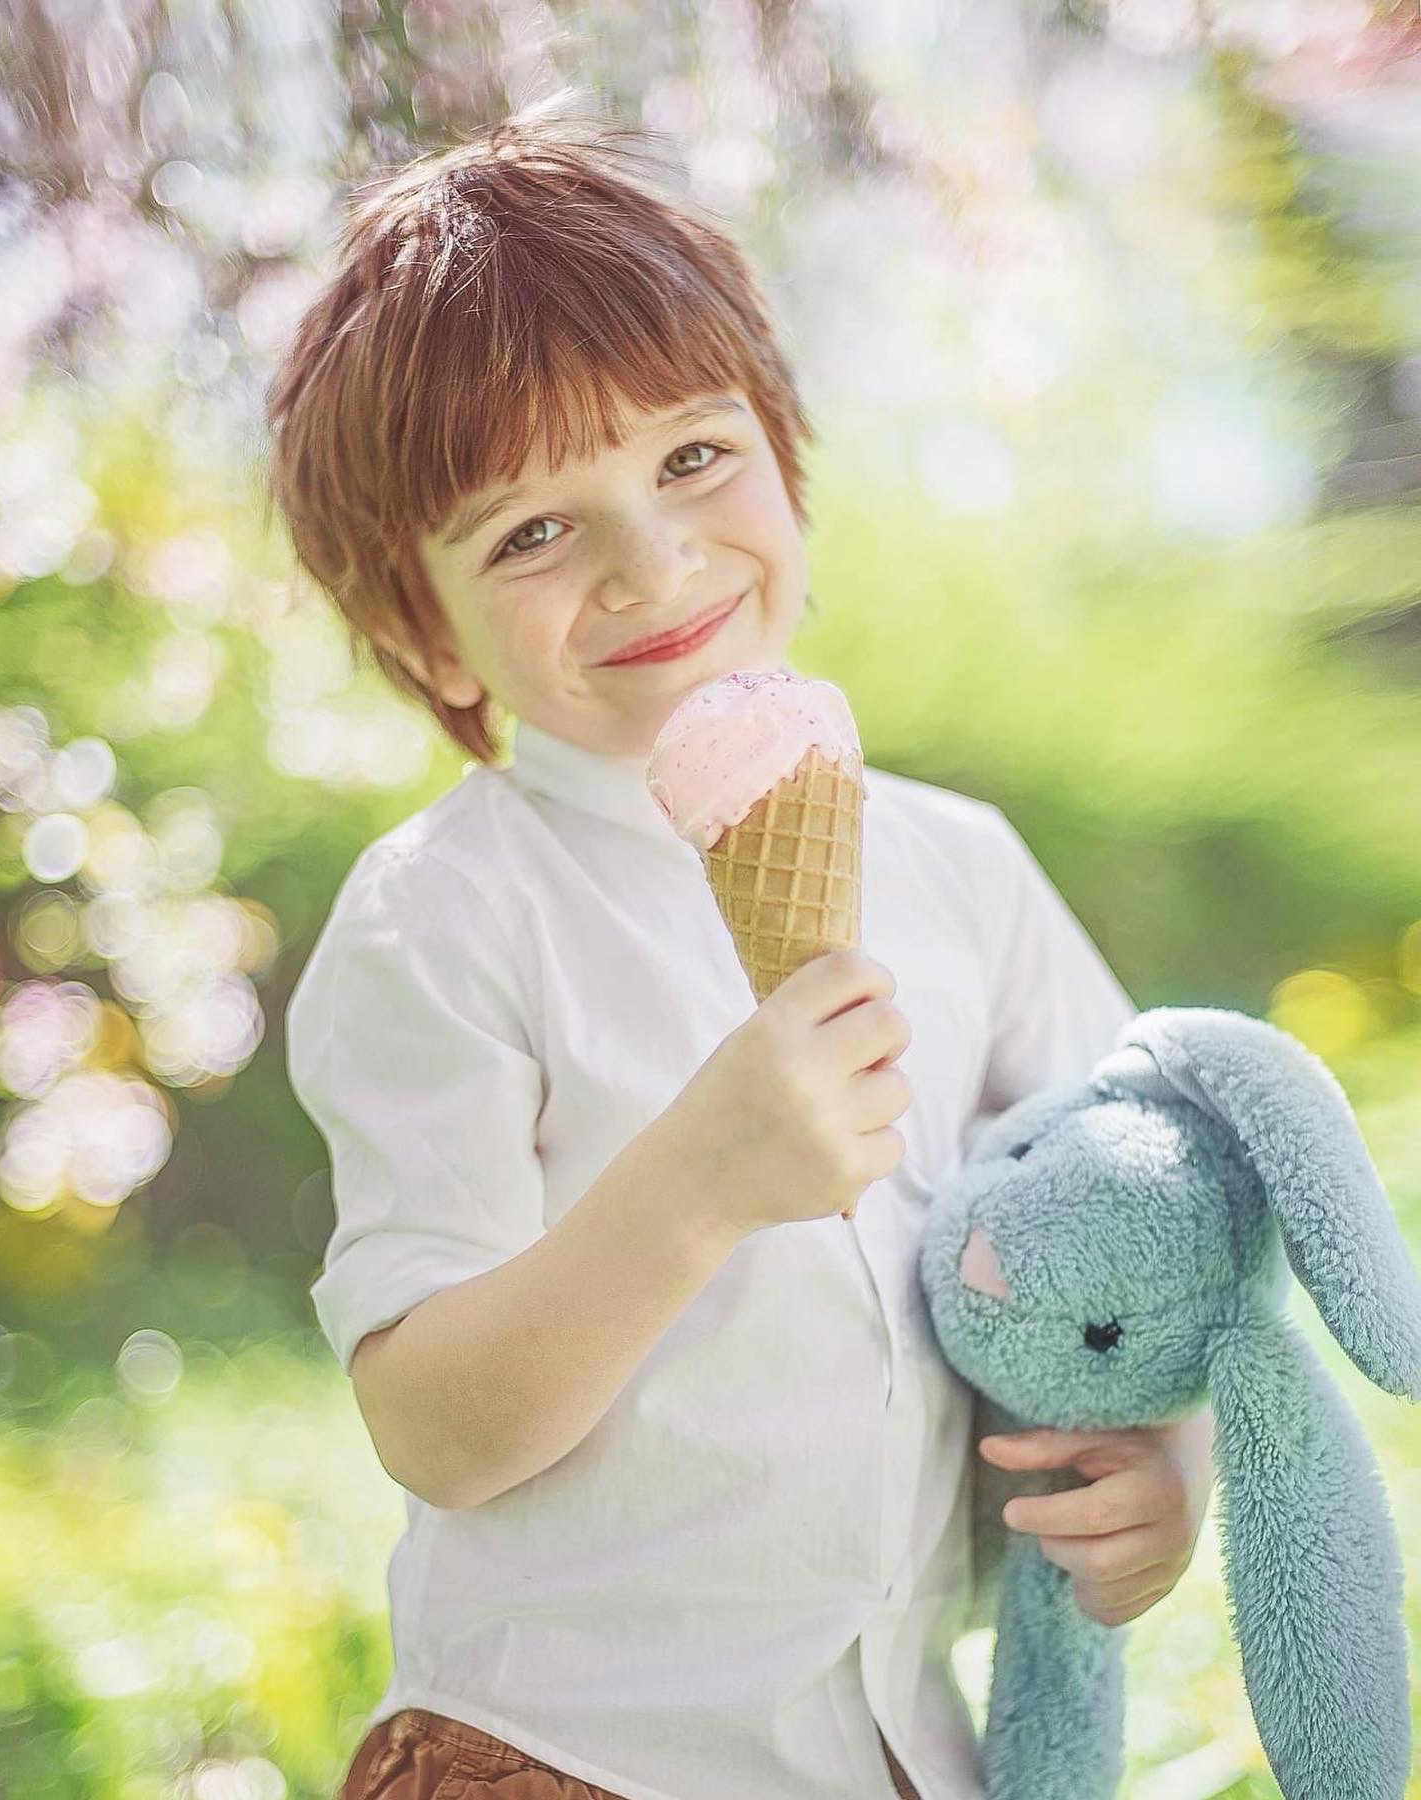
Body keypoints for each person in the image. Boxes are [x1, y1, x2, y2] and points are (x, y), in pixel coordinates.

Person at [267, 100, 1214, 1800]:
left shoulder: (960, 869)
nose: (653, 561)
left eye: (693, 459)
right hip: (561, 1754)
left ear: (781, 450)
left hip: (897, 1753)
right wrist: (692, 1185)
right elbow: (436, 1428)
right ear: (430, 633)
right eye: (530, 532)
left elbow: (1138, 1223)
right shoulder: (444, 918)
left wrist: (1163, 1462)